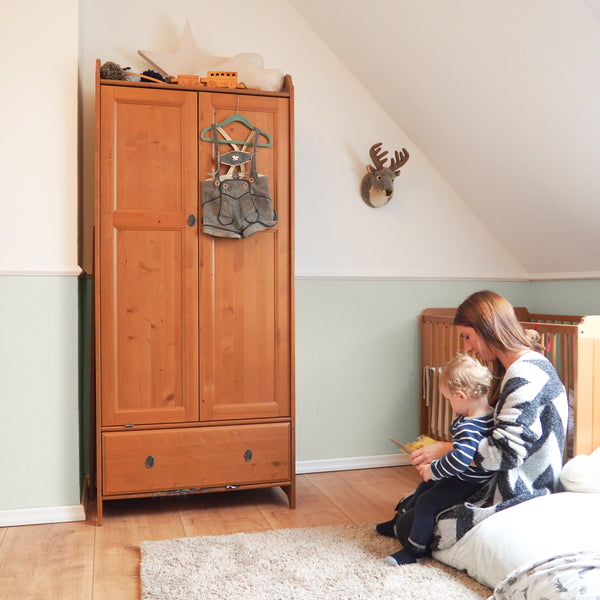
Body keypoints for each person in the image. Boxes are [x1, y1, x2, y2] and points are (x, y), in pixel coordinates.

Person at [401, 290, 569, 554]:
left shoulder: (524, 375)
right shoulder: (517, 366)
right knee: (419, 502)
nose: (466, 347)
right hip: (500, 474)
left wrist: (448, 449)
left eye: (467, 337)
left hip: (521, 486)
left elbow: (506, 455)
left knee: (412, 525)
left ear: (488, 329)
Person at [378, 353, 494, 565]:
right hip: (465, 475)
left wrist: (433, 470)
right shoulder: (490, 415)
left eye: (448, 399)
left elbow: (460, 459)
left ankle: (414, 551)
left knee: (427, 503)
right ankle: (397, 524)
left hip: (467, 481)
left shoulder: (469, 426)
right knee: (424, 488)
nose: (449, 404)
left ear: (461, 396)